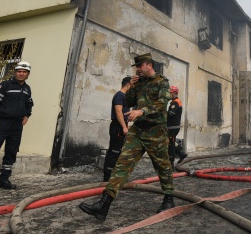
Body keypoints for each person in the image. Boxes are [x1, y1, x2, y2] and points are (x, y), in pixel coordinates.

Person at [79, 53, 174, 221]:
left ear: (149, 65)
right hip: (137, 132)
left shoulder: (162, 82)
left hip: (156, 132)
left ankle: (168, 199)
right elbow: (129, 102)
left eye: (140, 66)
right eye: (136, 67)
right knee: (122, 164)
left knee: (163, 166)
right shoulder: (138, 83)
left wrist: (141, 111)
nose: (137, 69)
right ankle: (104, 205)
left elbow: (162, 103)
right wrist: (132, 86)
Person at [0, 61, 33, 194]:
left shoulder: (27, 89)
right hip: (1, 124)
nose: (21, 73)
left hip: (16, 126)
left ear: (28, 74)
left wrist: (27, 115)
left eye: (24, 72)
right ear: (15, 72)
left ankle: (4, 181)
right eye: (19, 71)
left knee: (11, 153)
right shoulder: (5, 85)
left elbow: (29, 103)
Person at [103, 76, 132, 181]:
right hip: (118, 127)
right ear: (128, 84)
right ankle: (107, 178)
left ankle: (115, 176)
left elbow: (123, 112)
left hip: (122, 125)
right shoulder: (119, 96)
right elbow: (118, 111)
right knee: (114, 152)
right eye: (132, 85)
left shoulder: (124, 97)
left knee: (119, 152)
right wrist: (124, 127)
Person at [167, 85, 188, 167]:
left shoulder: (175, 102)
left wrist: (163, 114)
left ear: (174, 93)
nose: (169, 95)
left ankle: (171, 162)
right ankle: (181, 153)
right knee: (172, 141)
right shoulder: (174, 102)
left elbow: (171, 113)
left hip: (172, 127)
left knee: (171, 144)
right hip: (173, 126)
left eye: (170, 93)